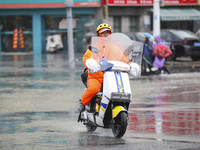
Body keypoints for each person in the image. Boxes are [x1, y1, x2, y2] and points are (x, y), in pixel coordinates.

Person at [78, 23, 113, 112]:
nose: (106, 35)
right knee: (94, 89)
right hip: (95, 76)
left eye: (108, 33)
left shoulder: (114, 47)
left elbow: (122, 58)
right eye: (103, 33)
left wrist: (130, 65)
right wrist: (90, 63)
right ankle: (82, 102)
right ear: (99, 34)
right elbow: (86, 58)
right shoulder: (94, 47)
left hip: (111, 77)